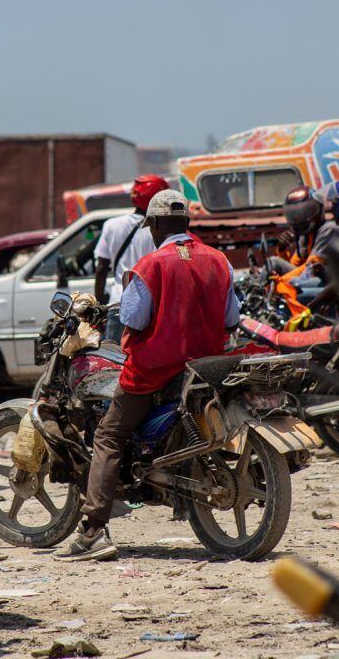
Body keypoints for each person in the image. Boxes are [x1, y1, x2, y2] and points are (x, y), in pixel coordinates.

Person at [58, 190, 239, 561]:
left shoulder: (150, 265)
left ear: (155, 225)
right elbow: (231, 318)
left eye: (151, 227)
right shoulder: (220, 261)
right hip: (207, 368)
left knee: (108, 436)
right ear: (186, 222)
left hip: (157, 370)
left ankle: (93, 531)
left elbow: (133, 319)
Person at [94, 175, 170, 341]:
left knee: (115, 361)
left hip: (118, 304)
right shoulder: (161, 229)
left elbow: (101, 269)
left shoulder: (111, 225)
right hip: (150, 308)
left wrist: (99, 305)